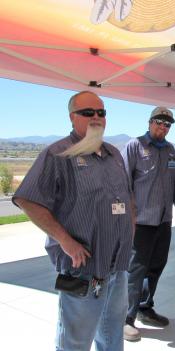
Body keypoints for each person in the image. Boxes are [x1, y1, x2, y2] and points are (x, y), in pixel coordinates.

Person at [12, 91, 134, 351]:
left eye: (101, 112)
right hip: (84, 269)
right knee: (75, 342)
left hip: (117, 268)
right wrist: (65, 241)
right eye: (88, 112)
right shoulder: (58, 154)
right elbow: (27, 199)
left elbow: (126, 199)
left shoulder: (113, 154)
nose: (96, 118)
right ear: (72, 117)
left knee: (112, 336)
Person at [121, 106, 175, 341]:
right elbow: (123, 184)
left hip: (163, 221)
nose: (163, 127)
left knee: (156, 266)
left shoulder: (169, 150)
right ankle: (126, 318)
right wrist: (128, 216)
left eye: (167, 124)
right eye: (159, 122)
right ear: (150, 123)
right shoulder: (134, 146)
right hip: (141, 222)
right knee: (136, 269)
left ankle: (145, 309)